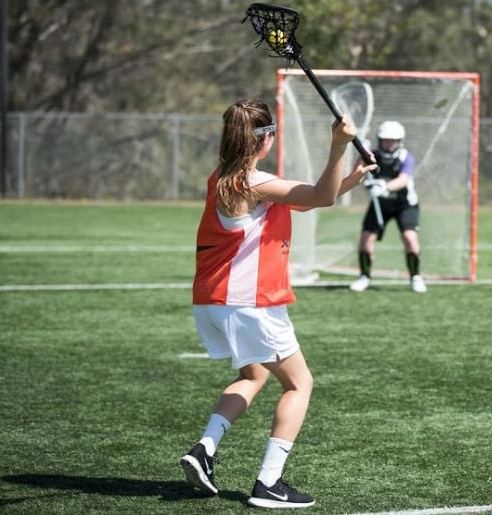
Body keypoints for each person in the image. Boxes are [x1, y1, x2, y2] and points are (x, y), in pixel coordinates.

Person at [180, 100, 376, 509]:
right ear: (264, 140)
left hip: (212, 301)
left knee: (253, 375)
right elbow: (318, 197)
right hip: (249, 302)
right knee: (299, 383)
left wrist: (351, 179)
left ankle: (204, 449)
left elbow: (304, 199)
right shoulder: (255, 182)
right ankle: (269, 483)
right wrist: (339, 145)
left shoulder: (222, 178)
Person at [349, 120, 427, 293]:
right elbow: (358, 175)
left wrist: (384, 187)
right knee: (366, 238)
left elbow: (403, 180)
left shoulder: (406, 157)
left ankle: (416, 276)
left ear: (400, 141)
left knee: (410, 238)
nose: (389, 144)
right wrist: (364, 173)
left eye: (393, 140)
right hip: (380, 205)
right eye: (386, 140)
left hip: (405, 205)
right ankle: (364, 276)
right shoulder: (372, 156)